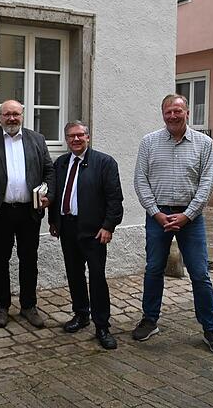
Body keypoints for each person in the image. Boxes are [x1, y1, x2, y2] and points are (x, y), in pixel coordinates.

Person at [133, 94, 213, 356]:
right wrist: (155, 213)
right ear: (162, 113)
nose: (173, 115)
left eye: (178, 110)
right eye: (168, 111)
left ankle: (210, 329)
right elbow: (141, 180)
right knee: (153, 269)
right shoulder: (149, 142)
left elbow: (207, 183)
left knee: (200, 274)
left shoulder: (204, 143)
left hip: (192, 218)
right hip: (158, 216)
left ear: (187, 112)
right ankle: (150, 320)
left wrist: (188, 214)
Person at [0, 99, 54, 328]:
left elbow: (49, 170)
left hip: (29, 212)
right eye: (7, 114)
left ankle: (29, 306)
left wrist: (49, 195)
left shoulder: (36, 139)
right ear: (0, 117)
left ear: (22, 116)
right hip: (1, 213)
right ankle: (2, 307)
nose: (11, 118)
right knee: (0, 260)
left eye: (15, 114)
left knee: (29, 260)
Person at [49, 121, 123, 350]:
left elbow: (114, 199)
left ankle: (102, 325)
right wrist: (54, 221)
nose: (76, 139)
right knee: (74, 274)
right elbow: (56, 194)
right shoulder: (61, 163)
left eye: (80, 135)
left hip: (94, 231)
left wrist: (108, 226)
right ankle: (81, 314)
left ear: (88, 137)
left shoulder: (104, 163)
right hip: (68, 228)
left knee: (97, 278)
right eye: (71, 136)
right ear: (66, 139)